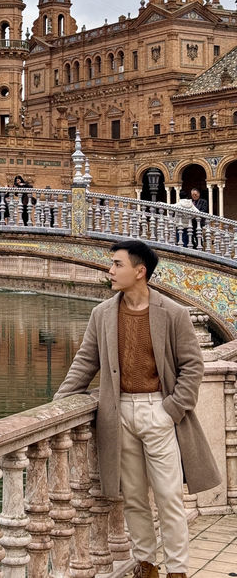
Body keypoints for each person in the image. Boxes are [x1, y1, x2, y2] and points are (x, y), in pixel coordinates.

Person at [54, 239, 220, 578]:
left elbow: (193, 367)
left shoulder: (172, 314)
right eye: (112, 264)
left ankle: (177, 571)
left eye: (117, 264)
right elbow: (86, 362)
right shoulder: (102, 314)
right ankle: (146, 566)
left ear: (139, 271)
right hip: (118, 415)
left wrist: (171, 410)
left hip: (158, 412)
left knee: (169, 498)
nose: (110, 270)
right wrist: (58, 406)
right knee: (133, 498)